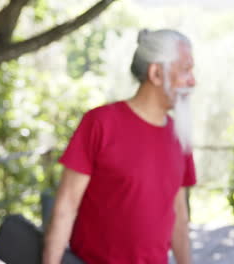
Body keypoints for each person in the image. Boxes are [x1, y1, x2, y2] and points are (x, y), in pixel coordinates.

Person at [43, 29, 197, 264]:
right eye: (186, 70)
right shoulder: (100, 123)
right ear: (156, 73)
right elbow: (65, 206)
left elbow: (179, 217)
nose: (193, 81)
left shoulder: (180, 137)